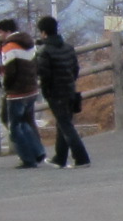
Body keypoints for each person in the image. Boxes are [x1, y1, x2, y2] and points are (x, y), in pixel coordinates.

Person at [36, 14, 90, 168]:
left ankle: (81, 158)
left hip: (55, 92)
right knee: (63, 123)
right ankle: (60, 157)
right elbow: (75, 69)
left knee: (65, 125)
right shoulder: (68, 48)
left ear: (43, 32)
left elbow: (44, 75)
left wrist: (46, 91)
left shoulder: (45, 52)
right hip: (69, 90)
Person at [0, 18, 46, 168]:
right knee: (26, 121)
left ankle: (28, 158)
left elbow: (9, 70)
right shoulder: (29, 43)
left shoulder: (9, 46)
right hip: (31, 88)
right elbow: (36, 64)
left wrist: (6, 86)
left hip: (16, 91)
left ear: (7, 32)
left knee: (14, 124)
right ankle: (38, 151)